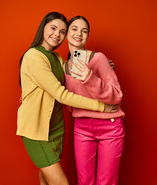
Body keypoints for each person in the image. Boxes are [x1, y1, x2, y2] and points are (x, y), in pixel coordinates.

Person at [16, 12, 118, 185]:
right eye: (53, 28)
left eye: (62, 32)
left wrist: (103, 64)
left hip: (54, 128)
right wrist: (102, 106)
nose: (57, 34)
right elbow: (61, 94)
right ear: (43, 28)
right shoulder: (34, 56)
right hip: (37, 131)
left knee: (45, 179)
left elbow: (76, 69)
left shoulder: (56, 58)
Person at [64, 16, 125, 185]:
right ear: (66, 34)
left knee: (106, 182)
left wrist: (90, 77)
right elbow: (66, 100)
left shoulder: (99, 59)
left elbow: (117, 95)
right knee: (85, 182)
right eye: (74, 29)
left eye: (84, 31)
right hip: (82, 127)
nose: (79, 33)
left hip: (110, 126)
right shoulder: (63, 67)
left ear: (88, 37)